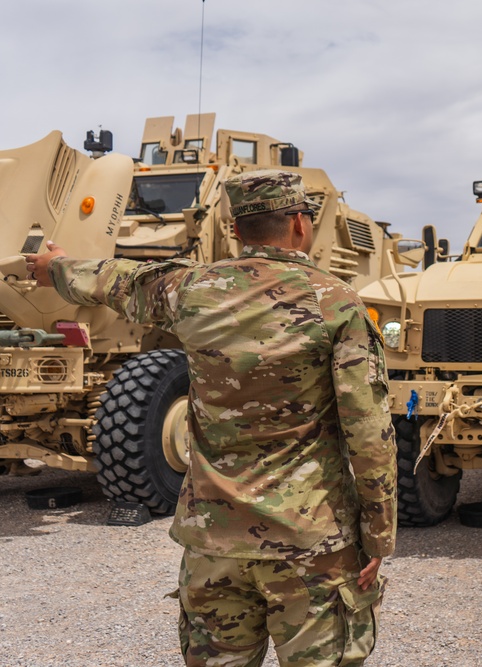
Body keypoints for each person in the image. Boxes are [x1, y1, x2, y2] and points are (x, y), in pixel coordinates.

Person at [26, 169, 397, 666]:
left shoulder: (192, 289)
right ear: (300, 225)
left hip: (212, 546)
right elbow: (368, 432)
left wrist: (54, 264)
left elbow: (112, 280)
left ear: (236, 230)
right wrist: (378, 534)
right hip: (309, 544)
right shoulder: (336, 303)